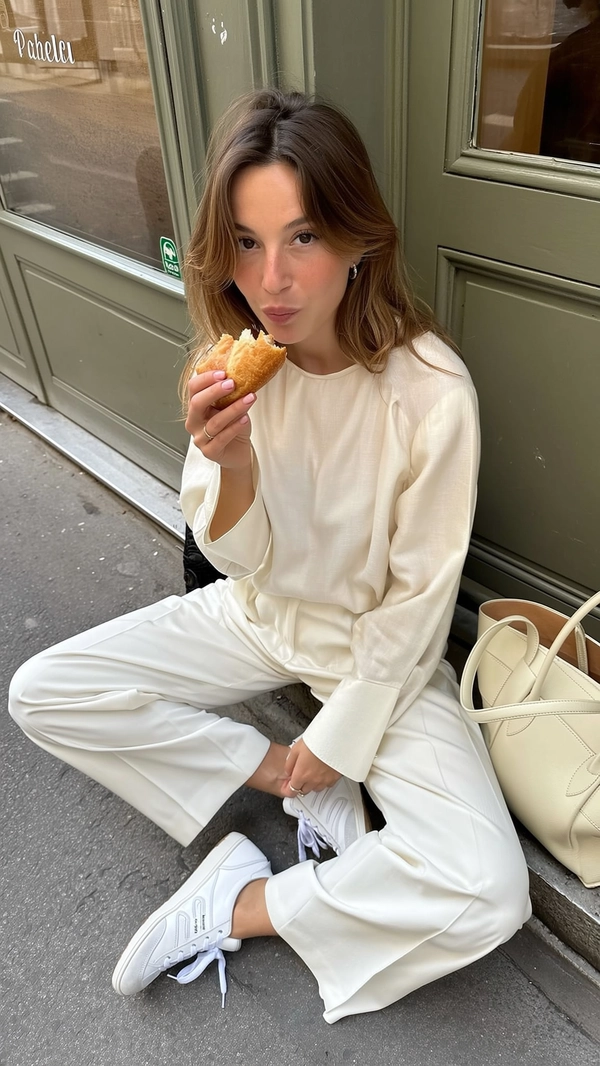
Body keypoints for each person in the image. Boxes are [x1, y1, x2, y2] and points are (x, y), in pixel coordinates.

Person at [8, 88, 531, 1024]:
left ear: (360, 238)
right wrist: (231, 460)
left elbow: (417, 601)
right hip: (258, 621)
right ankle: (278, 782)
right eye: (247, 243)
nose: (274, 279)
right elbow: (233, 559)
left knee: (492, 889)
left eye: (302, 238)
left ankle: (241, 902)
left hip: (382, 660)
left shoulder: (430, 392)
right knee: (43, 690)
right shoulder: (230, 363)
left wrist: (345, 738)